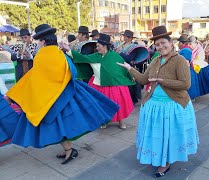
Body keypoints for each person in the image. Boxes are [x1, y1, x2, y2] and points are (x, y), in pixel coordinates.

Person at [0, 24, 119, 164]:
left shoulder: (42, 55)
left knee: (57, 127)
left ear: (43, 41)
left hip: (53, 99)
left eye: (38, 40)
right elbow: (71, 71)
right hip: (66, 94)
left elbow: (34, 78)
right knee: (62, 127)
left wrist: (14, 95)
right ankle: (68, 150)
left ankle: (69, 151)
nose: (37, 43)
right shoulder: (58, 52)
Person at [117, 25, 199, 178]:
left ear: (171, 43)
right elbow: (144, 79)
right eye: (157, 44)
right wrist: (130, 68)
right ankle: (159, 157)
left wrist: (162, 80)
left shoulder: (179, 60)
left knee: (168, 135)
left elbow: (185, 84)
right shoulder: (155, 60)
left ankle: (165, 162)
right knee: (158, 135)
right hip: (154, 104)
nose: (160, 47)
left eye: (163, 43)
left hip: (173, 104)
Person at [62, 33, 135, 129]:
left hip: (114, 85)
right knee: (102, 105)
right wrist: (68, 50)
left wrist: (130, 76)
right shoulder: (95, 56)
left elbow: (123, 69)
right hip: (99, 84)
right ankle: (105, 121)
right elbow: (82, 58)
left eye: (98, 46)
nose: (97, 48)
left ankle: (121, 121)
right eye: (97, 46)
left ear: (105, 46)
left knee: (118, 104)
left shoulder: (115, 56)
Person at [177, 35, 200, 99]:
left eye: (179, 42)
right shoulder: (186, 49)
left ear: (183, 43)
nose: (178, 44)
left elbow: (186, 62)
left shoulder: (185, 50)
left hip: (186, 70)